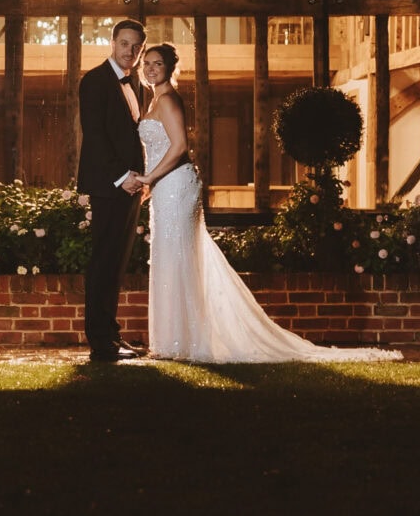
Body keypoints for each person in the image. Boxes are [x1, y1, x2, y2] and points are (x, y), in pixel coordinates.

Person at [133, 42, 399, 366]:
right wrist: (152, 183)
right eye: (146, 63)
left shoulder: (169, 100)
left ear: (170, 68)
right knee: (169, 258)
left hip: (175, 185)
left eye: (156, 63)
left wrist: (149, 178)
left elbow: (179, 147)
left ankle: (182, 342)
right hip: (165, 187)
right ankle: (174, 339)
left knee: (178, 259)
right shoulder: (154, 100)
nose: (149, 68)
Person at [75, 19, 147, 364]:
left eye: (136, 47)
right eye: (124, 44)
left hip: (132, 187)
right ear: (112, 42)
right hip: (109, 185)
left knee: (116, 264)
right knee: (103, 263)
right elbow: (95, 136)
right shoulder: (94, 81)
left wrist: (142, 181)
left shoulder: (137, 84)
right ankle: (101, 342)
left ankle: (112, 334)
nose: (129, 52)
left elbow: (134, 137)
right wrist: (122, 177)